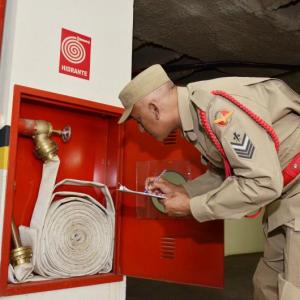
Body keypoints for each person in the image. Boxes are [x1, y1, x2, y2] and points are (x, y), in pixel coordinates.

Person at [118, 64, 300, 300]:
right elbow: (226, 172)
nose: (141, 130)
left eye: (139, 121)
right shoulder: (196, 116)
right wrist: (184, 190)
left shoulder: (218, 110)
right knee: (267, 285)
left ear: (154, 109)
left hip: (293, 190)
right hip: (284, 196)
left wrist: (192, 207)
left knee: (291, 292)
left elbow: (262, 182)